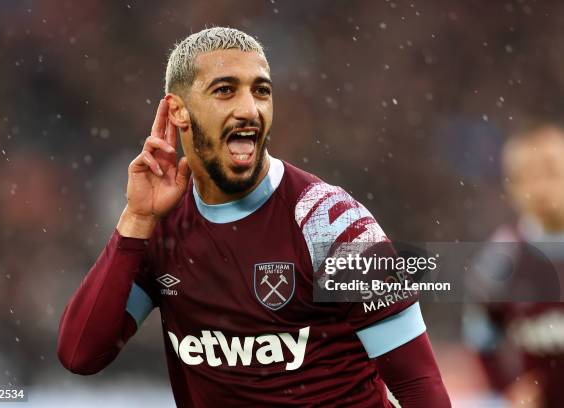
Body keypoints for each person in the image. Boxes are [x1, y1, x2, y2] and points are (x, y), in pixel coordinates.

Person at [57, 27, 450, 407]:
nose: (249, 109)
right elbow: (81, 355)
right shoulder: (162, 226)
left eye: (261, 91)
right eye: (225, 90)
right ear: (178, 110)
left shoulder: (332, 225)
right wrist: (137, 219)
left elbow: (421, 389)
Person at [463, 124, 564, 408]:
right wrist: (508, 388)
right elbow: (481, 337)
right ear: (511, 187)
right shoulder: (503, 255)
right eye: (527, 178)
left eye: (551, 173)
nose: (540, 188)